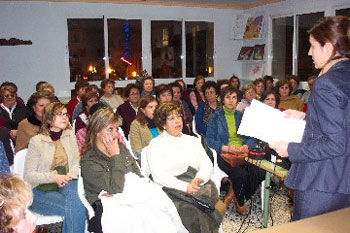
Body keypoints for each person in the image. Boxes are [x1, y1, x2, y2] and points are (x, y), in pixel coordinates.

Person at [269, 16, 350, 221]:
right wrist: (307, 116)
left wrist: (291, 149)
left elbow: (335, 143)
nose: (309, 52)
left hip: (322, 183)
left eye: (313, 46)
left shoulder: (326, 83)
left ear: (328, 47)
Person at [81, 107, 186, 233]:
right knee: (138, 219)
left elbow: (137, 175)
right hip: (107, 205)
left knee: (158, 209)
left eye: (116, 129)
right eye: (110, 129)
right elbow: (116, 188)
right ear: (97, 131)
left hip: (133, 196)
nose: (115, 134)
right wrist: (115, 156)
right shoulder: (89, 161)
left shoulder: (121, 149)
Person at [147, 102, 224, 233]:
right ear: (163, 124)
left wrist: (199, 179)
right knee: (194, 212)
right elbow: (158, 175)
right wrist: (185, 187)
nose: (177, 121)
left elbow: (206, 164)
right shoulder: (156, 144)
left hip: (196, 183)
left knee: (212, 205)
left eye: (179, 116)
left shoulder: (192, 141)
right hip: (171, 188)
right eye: (171, 118)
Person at [23, 102, 85, 233]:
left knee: (75, 200)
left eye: (65, 114)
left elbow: (75, 162)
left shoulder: (69, 135)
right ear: (50, 119)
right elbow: (29, 176)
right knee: (76, 207)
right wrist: (54, 177)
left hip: (67, 182)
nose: (65, 118)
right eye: (59, 114)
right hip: (41, 189)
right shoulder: (36, 141)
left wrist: (69, 176)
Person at [206, 87, 264, 216]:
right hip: (225, 155)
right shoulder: (215, 117)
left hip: (242, 153)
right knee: (241, 175)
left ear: (237, 100)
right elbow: (209, 140)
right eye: (227, 97)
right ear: (222, 99)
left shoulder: (241, 116)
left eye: (233, 97)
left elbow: (252, 137)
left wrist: (247, 146)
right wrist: (226, 147)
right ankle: (241, 202)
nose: (231, 101)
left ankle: (236, 195)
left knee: (260, 171)